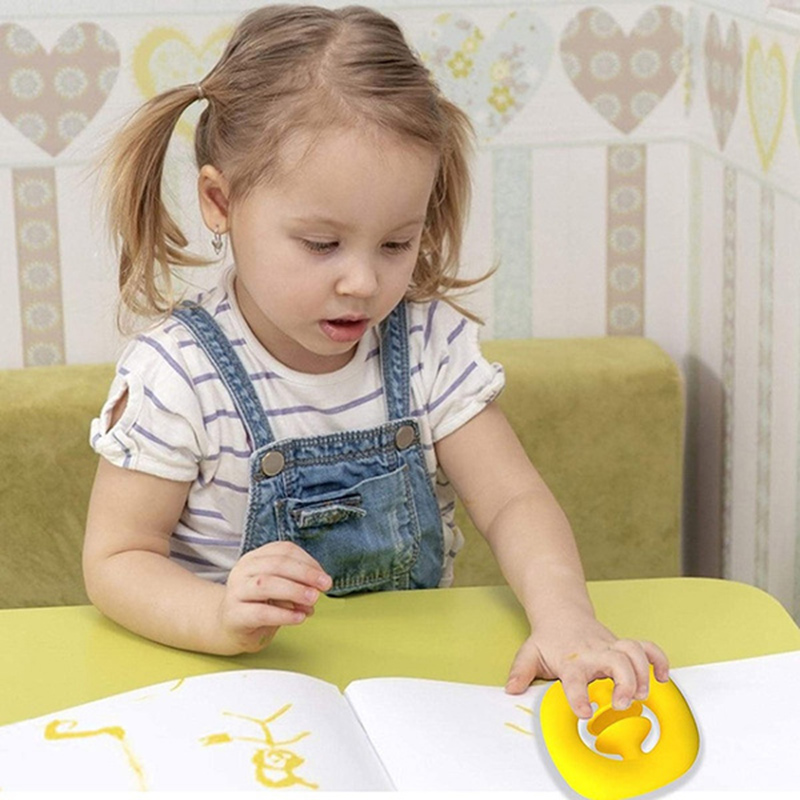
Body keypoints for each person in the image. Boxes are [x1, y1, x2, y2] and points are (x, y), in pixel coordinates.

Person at [84, 3, 668, 720]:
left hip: (412, 696)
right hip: (233, 698)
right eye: (322, 244)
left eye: (396, 244)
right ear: (220, 202)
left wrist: (568, 622)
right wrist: (217, 616)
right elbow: (117, 561)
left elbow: (514, 502)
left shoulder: (426, 347)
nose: (362, 282)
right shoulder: (176, 375)